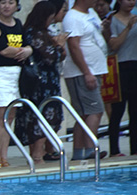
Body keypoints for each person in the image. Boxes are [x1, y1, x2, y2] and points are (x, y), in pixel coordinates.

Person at [14, 1, 66, 164]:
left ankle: (41, 153)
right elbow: (50, 56)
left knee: (47, 116)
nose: (51, 20)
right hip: (40, 84)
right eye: (50, 17)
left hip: (48, 83)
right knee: (40, 117)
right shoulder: (33, 32)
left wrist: (58, 47)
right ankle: (37, 155)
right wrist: (59, 45)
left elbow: (58, 55)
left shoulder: (43, 32)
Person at [0, 0, 32, 168]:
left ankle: (4, 157)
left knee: (9, 117)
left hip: (15, 75)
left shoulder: (18, 23)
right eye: (3, 2)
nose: (6, 6)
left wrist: (28, 51)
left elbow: (29, 45)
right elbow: (2, 49)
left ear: (16, 5)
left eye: (10, 2)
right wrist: (22, 52)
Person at [62, 0, 109, 160]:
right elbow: (74, 46)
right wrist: (86, 72)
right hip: (81, 73)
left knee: (84, 113)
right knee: (94, 110)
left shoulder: (91, 13)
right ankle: (90, 149)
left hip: (95, 70)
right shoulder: (72, 17)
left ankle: (78, 153)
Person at [107, 0, 137, 156]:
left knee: (135, 111)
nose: (131, 2)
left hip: (135, 65)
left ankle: (135, 149)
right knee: (118, 110)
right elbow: (114, 45)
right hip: (120, 66)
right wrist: (128, 27)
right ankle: (114, 149)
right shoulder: (113, 19)